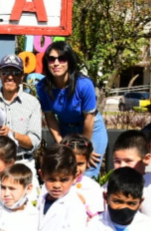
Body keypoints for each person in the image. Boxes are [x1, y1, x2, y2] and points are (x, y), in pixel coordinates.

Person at [36, 42, 108, 179]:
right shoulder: (42, 87)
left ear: (69, 61)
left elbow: (89, 118)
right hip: (65, 129)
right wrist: (61, 143)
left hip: (91, 128)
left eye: (62, 58)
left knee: (87, 172)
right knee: (65, 171)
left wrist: (86, 147)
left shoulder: (84, 84)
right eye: (51, 59)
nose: (56, 63)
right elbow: (50, 117)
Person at [0, 54, 43, 170]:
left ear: (22, 76)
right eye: (5, 72)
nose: (10, 77)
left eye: (15, 72)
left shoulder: (32, 103)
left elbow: (34, 142)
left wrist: (11, 134)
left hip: (22, 163)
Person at [61, 135, 104, 219]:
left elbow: (97, 215)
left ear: (87, 162)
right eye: (70, 163)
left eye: (80, 164)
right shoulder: (55, 184)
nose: (75, 169)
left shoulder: (93, 187)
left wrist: (84, 205)